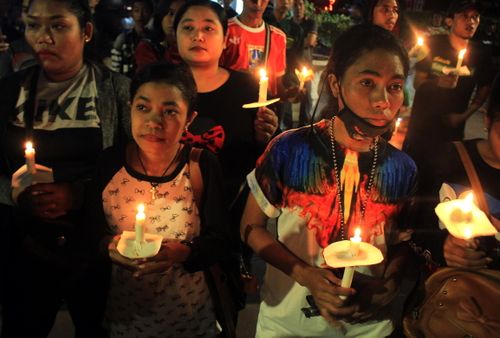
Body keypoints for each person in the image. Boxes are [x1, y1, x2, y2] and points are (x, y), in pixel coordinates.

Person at [240, 24, 417, 337]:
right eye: (367, 82)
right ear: (335, 84)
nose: (382, 101)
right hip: (287, 323)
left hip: (368, 328)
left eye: (394, 86)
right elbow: (250, 228)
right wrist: (304, 273)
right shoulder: (289, 149)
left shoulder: (402, 167)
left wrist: (387, 286)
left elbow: (402, 243)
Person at [0, 0, 131, 337]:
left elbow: (131, 162)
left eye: (58, 26)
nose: (43, 37)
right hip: (26, 247)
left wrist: (79, 194)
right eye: (33, 25)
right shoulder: (10, 91)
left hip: (95, 245)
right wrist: (16, 195)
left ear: (85, 31)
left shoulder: (116, 90)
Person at [88, 62, 229, 337]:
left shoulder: (202, 166)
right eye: (143, 107)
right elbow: (89, 230)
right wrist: (109, 246)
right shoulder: (109, 163)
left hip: (189, 317)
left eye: (170, 111)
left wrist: (184, 252)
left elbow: (222, 240)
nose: (154, 122)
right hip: (123, 318)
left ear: (189, 119)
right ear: (130, 108)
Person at [174, 0, 278, 202]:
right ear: (175, 35)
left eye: (208, 28)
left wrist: (265, 136)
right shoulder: (159, 88)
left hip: (235, 203)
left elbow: (268, 157)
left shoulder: (250, 89)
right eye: (188, 28)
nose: (198, 36)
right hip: (168, 205)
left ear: (225, 39)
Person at [404, 0, 493, 192]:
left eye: (475, 17)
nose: (470, 21)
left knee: (439, 181)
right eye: (464, 16)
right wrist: (435, 83)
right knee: (410, 173)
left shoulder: (481, 54)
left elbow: (485, 87)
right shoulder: (434, 44)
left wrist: (465, 114)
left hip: (451, 128)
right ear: (449, 21)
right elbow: (417, 82)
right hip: (422, 125)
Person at [414, 74, 500, 270]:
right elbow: (414, 227)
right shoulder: (447, 159)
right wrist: (443, 247)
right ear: (487, 120)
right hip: (447, 292)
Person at [220, 0, 286, 100]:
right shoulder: (225, 31)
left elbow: (277, 84)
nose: (258, 4)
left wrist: (289, 94)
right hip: (231, 102)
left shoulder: (278, 37)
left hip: (264, 109)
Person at [134, 0, 185, 71]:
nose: (174, 20)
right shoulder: (148, 47)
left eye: (181, 14)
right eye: (171, 13)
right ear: (161, 16)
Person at [110, 0, 154, 77]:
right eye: (136, 11)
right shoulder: (123, 39)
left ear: (151, 14)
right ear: (132, 14)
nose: (140, 15)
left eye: (145, 11)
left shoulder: (155, 39)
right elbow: (115, 69)